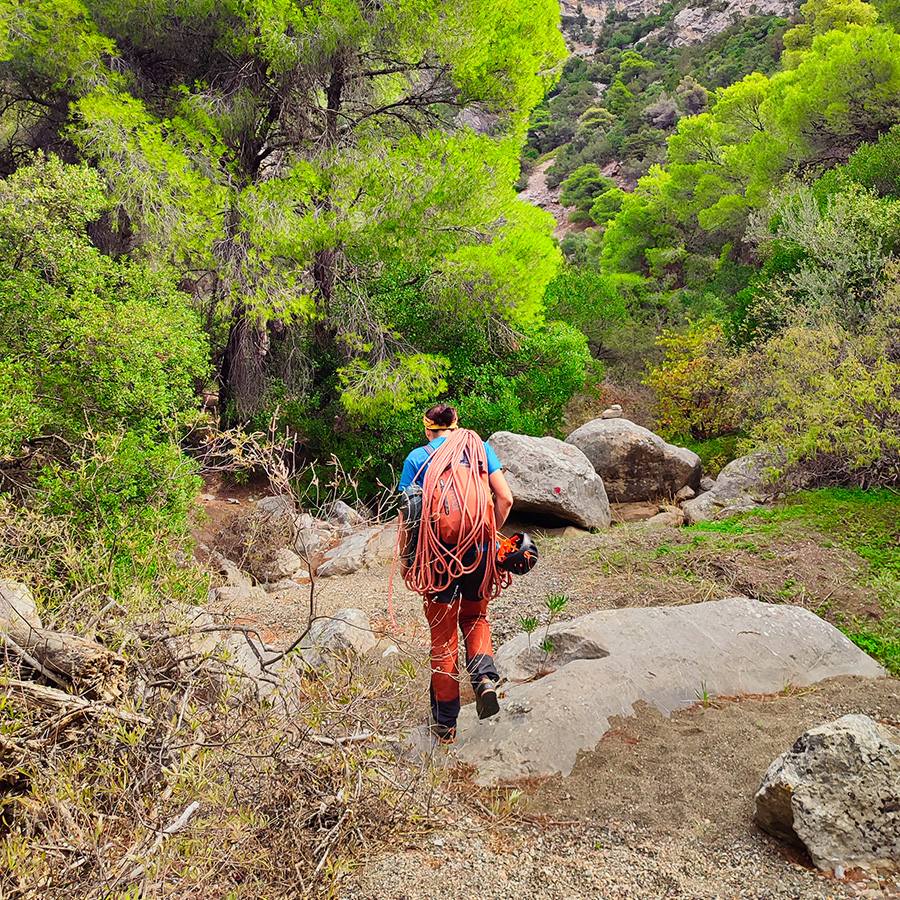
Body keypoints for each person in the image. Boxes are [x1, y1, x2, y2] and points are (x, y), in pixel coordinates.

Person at [399, 403, 514, 743]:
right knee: (476, 618)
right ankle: (485, 680)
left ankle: (446, 726)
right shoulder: (480, 449)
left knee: (443, 638)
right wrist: (487, 535)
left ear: (427, 429)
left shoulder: (417, 459)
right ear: (456, 425)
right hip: (480, 552)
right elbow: (505, 498)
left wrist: (409, 559)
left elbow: (410, 516)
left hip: (438, 559)